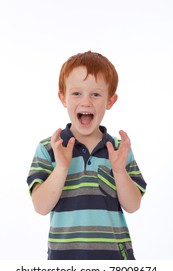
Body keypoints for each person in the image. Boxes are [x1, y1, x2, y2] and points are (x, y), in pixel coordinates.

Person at [27, 51, 147, 260]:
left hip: (115, 261)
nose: (86, 101)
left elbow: (133, 205)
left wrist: (119, 171)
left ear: (110, 100)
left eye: (96, 94)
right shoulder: (49, 148)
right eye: (77, 93)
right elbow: (40, 207)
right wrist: (62, 167)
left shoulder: (119, 150)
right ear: (62, 97)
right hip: (64, 261)